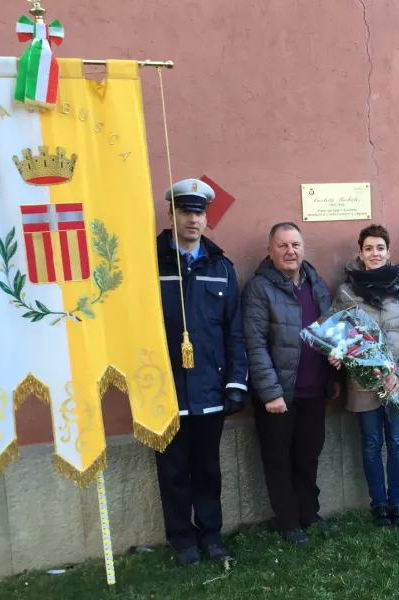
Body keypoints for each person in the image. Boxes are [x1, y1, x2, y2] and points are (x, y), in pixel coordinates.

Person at [154, 178, 248, 566]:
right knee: (173, 471)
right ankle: (182, 540)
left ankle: (211, 535)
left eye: (200, 212)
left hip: (210, 388)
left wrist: (235, 382)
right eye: (186, 211)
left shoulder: (220, 267)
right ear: (172, 214)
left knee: (208, 470)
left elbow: (235, 330)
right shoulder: (150, 262)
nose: (194, 220)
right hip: (164, 390)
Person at [242, 222, 339, 546]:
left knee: (308, 456)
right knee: (278, 459)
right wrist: (270, 392)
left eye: (295, 244)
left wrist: (335, 364)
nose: (290, 251)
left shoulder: (316, 283)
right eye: (282, 245)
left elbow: (329, 332)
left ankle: (309, 514)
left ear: (303, 248)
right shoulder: (259, 288)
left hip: (313, 391)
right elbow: (254, 344)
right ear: (270, 251)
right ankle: (288, 521)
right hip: (279, 395)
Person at [332, 224, 399, 528]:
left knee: (397, 442)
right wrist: (338, 351)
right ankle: (379, 505)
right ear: (360, 253)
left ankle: (397, 503)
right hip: (363, 382)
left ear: (388, 251)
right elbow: (337, 332)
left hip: (398, 380)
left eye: (380, 248)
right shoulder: (347, 290)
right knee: (371, 443)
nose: (375, 254)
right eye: (369, 248)